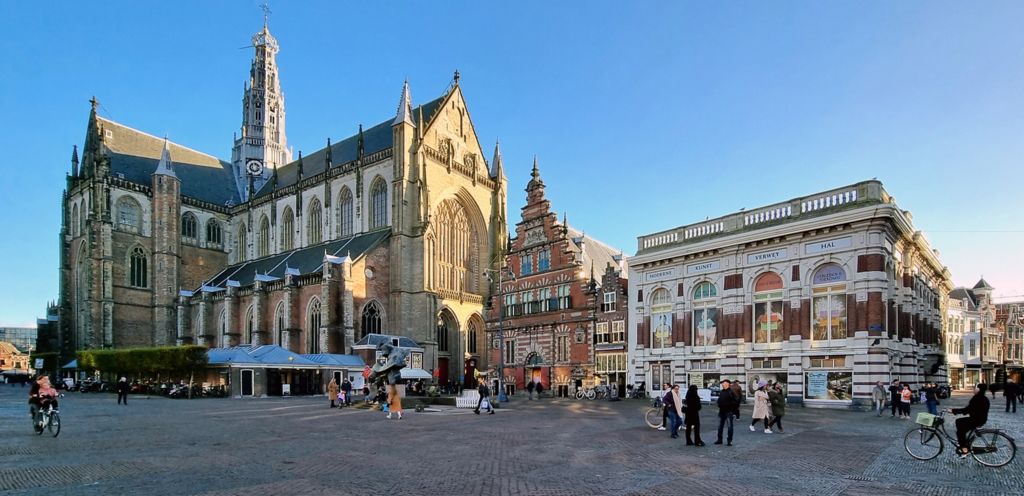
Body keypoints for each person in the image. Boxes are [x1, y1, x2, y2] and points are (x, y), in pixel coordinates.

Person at [949, 383, 990, 458]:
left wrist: (953, 411)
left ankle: (964, 449)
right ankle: (964, 442)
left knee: (960, 428)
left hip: (977, 420)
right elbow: (970, 409)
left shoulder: (977, 398)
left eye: (975, 388)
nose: (973, 389)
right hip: (979, 419)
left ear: (978, 389)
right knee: (959, 423)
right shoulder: (982, 397)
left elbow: (967, 410)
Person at [715, 379, 737, 446]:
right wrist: (719, 404)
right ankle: (719, 440)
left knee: (730, 426)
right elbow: (719, 399)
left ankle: (729, 441)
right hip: (721, 411)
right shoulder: (721, 392)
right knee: (720, 426)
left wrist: (731, 408)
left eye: (723, 383)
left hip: (729, 412)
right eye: (722, 383)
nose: (722, 384)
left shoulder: (731, 392)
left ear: (727, 384)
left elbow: (735, 401)